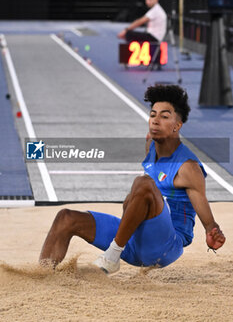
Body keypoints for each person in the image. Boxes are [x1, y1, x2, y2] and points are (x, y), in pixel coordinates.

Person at [39, 85, 226, 274]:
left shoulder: (188, 167)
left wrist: (213, 231)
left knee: (143, 183)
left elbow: (209, 222)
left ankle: (111, 257)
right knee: (66, 218)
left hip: (166, 247)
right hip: (134, 239)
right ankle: (42, 276)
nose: (155, 121)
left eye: (164, 116)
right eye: (153, 115)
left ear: (177, 126)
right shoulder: (150, 145)